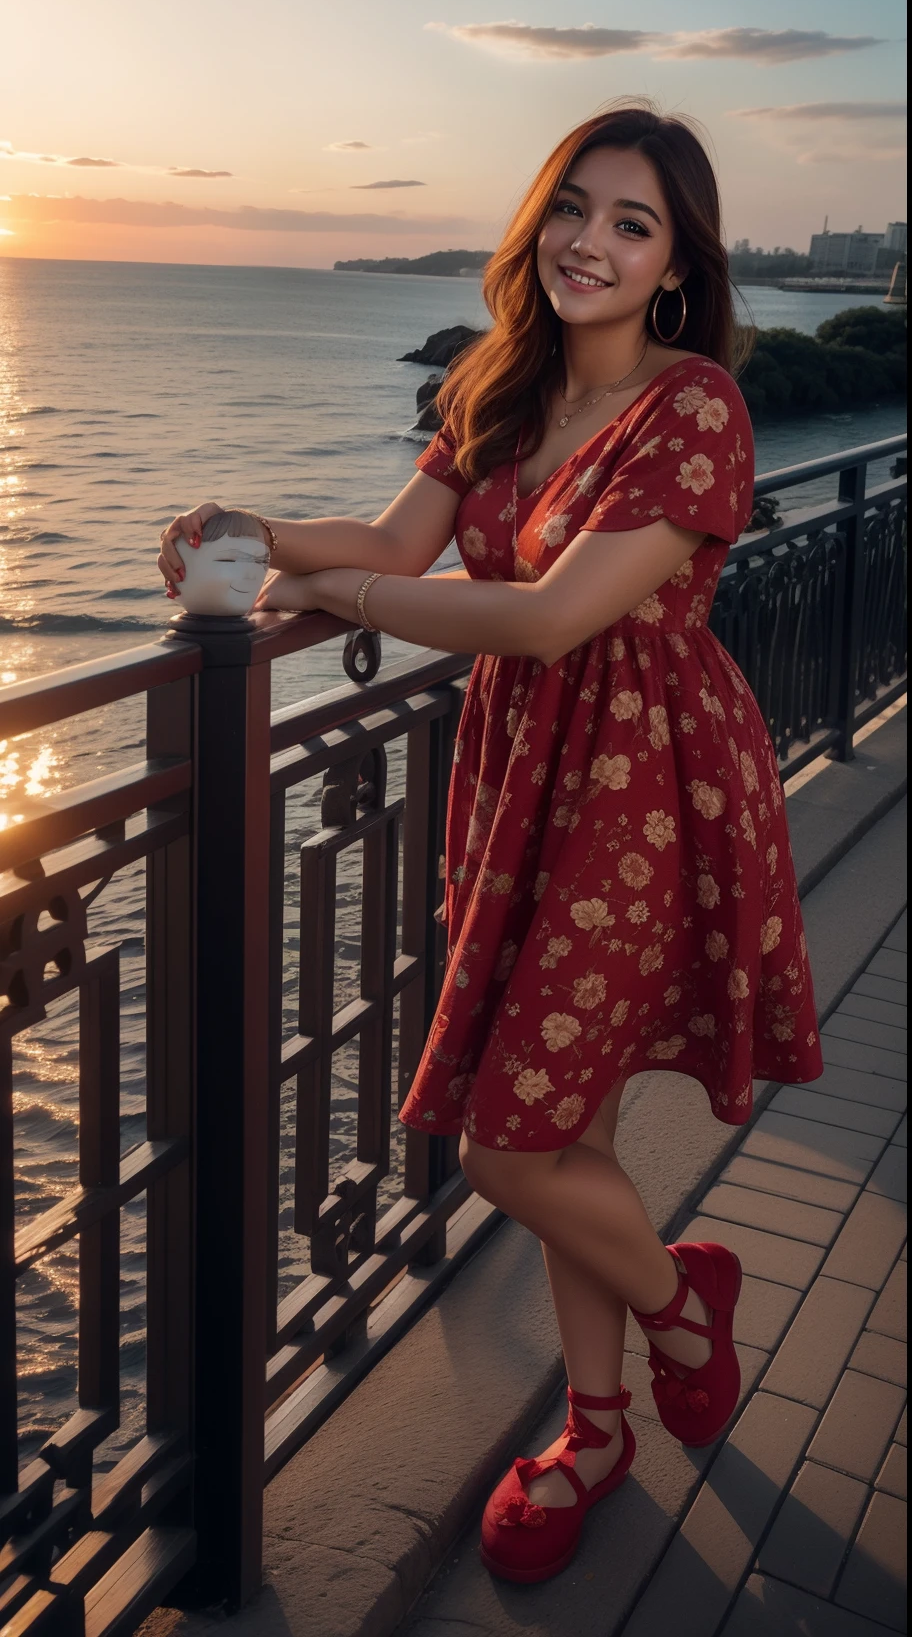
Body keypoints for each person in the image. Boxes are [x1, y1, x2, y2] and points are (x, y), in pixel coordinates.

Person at [158, 102, 823, 1585]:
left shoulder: (695, 403)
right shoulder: (504, 392)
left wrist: (337, 607)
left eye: (632, 223)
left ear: (674, 264)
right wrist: (265, 533)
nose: (591, 239)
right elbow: (398, 544)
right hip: (522, 786)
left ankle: (676, 1299)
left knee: (507, 1145)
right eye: (574, 207)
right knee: (566, 1125)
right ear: (540, 222)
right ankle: (596, 1429)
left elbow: (542, 617)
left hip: (652, 799)